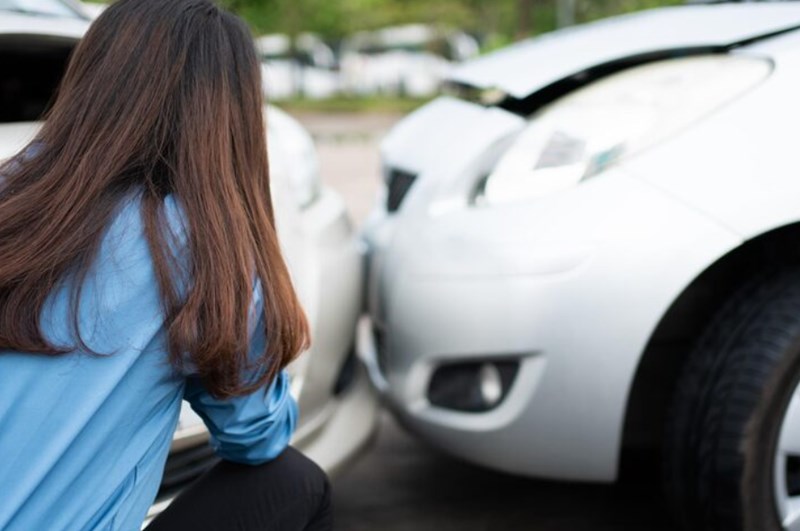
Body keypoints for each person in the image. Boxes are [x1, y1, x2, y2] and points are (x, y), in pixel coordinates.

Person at [0, 0, 332, 529]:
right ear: (231, 119)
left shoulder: (11, 192)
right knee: (292, 481)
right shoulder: (201, 250)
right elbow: (256, 438)